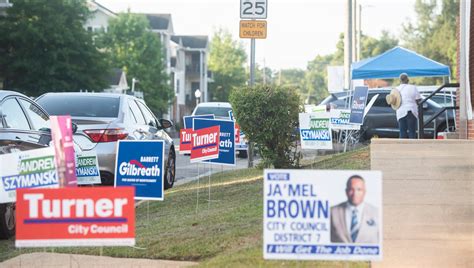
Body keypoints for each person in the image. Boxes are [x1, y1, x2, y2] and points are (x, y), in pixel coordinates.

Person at [330, 175, 379, 244]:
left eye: (359, 189)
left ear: (364, 191)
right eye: (351, 189)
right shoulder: (332, 212)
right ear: (346, 191)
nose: (355, 193)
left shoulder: (377, 213)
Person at [396, 73, 422, 139]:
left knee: (402, 131)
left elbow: (394, 102)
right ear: (408, 80)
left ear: (400, 80)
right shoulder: (413, 87)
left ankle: (402, 148)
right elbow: (418, 100)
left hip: (400, 111)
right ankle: (412, 148)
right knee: (412, 131)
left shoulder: (396, 89)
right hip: (411, 111)